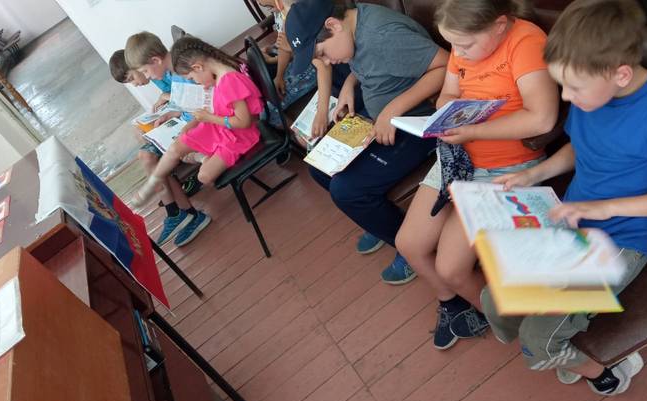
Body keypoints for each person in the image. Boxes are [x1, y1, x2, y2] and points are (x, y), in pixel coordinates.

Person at [483, 0, 647, 395]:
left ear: (620, 73)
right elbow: (581, 146)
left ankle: (606, 370)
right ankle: (566, 333)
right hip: (574, 217)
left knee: (539, 338)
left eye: (574, 87)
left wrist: (606, 208)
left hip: (625, 237)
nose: (566, 97)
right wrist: (534, 174)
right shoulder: (594, 92)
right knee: (495, 298)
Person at [394, 0, 559, 350]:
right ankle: (464, 306)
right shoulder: (464, 43)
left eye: (465, 45)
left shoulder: (525, 42)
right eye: (453, 44)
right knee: (409, 244)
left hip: (504, 165)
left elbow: (542, 118)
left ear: (499, 25)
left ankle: (530, 329)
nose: (458, 52)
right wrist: (448, 112)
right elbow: (448, 93)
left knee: (451, 268)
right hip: (458, 156)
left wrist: (473, 130)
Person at [285, 0, 449, 285]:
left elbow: (446, 65)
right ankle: (380, 219)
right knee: (320, 167)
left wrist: (392, 110)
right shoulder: (353, 27)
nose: (326, 62)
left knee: (347, 191)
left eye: (322, 53)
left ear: (332, 25)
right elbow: (369, 64)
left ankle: (412, 250)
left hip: (416, 122)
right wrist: (349, 85)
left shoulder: (382, 36)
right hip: (381, 116)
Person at [130, 36, 264, 212]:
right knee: (176, 147)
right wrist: (201, 117)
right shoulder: (219, 76)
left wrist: (208, 118)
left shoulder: (229, 80)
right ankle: (152, 183)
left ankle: (206, 157)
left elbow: (245, 122)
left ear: (198, 67)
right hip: (222, 126)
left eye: (192, 78)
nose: (196, 82)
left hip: (238, 136)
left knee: (204, 177)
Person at [109, 48, 207, 247]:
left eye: (134, 76)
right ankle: (183, 213)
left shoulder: (168, 71)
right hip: (184, 120)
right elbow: (183, 101)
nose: (137, 82)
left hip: (193, 126)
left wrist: (168, 100)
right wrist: (169, 108)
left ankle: (181, 213)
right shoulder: (160, 73)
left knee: (148, 157)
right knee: (146, 153)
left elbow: (194, 100)